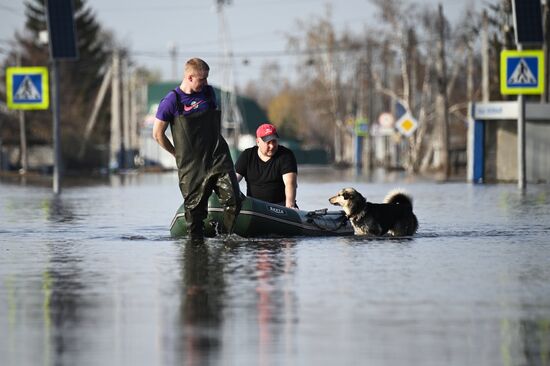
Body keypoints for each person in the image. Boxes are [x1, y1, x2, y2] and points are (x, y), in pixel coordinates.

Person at [153, 58, 241, 238]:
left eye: (207, 78)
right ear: (190, 77)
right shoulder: (171, 101)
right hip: (191, 165)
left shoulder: (208, 93)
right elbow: (157, 134)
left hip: (217, 157)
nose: (206, 82)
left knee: (234, 200)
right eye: (202, 79)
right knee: (195, 213)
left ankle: (225, 238)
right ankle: (196, 249)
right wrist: (175, 153)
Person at [235, 123, 298, 208]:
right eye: (268, 142)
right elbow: (233, 180)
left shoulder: (286, 155)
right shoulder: (247, 155)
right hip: (254, 208)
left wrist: (290, 207)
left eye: (274, 141)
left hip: (280, 207)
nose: (272, 146)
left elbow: (290, 183)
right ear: (258, 141)